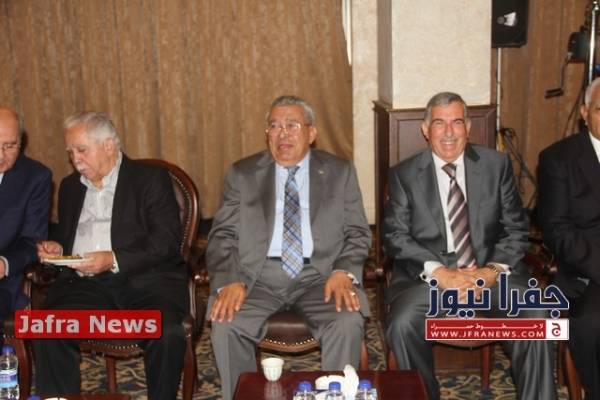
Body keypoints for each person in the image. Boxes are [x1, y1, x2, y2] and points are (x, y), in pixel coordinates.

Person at [383, 92, 556, 400]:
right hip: (431, 281)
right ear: (425, 129)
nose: (449, 132)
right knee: (403, 322)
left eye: (457, 122)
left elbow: (517, 228)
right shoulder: (404, 175)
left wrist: (491, 271)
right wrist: (440, 273)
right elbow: (396, 236)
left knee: (535, 311)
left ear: (468, 128)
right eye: (439, 123)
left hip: (490, 276)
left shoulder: (496, 165)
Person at [207, 95, 371, 400]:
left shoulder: (339, 171)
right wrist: (230, 279)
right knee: (226, 322)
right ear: (266, 133)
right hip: (257, 277)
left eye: (292, 125)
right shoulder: (243, 174)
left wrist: (343, 271)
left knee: (346, 321)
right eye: (275, 126)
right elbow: (222, 235)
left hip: (320, 276)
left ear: (311, 133)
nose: (283, 134)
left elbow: (358, 232)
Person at [33, 112, 188, 400]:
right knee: (48, 326)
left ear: (108, 145)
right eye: (70, 152)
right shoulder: (70, 187)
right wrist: (58, 249)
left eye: (81, 150)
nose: (75, 160)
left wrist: (113, 259)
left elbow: (165, 241)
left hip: (146, 283)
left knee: (165, 332)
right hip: (86, 286)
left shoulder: (149, 179)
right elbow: (67, 237)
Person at [538, 77, 600, 399]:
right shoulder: (559, 158)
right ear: (585, 114)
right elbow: (557, 230)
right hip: (589, 272)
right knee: (590, 323)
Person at [0, 106, 51, 339]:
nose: (1, 155)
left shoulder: (35, 177)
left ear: (21, 142)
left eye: (9, 146)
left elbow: (32, 241)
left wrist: (4, 264)